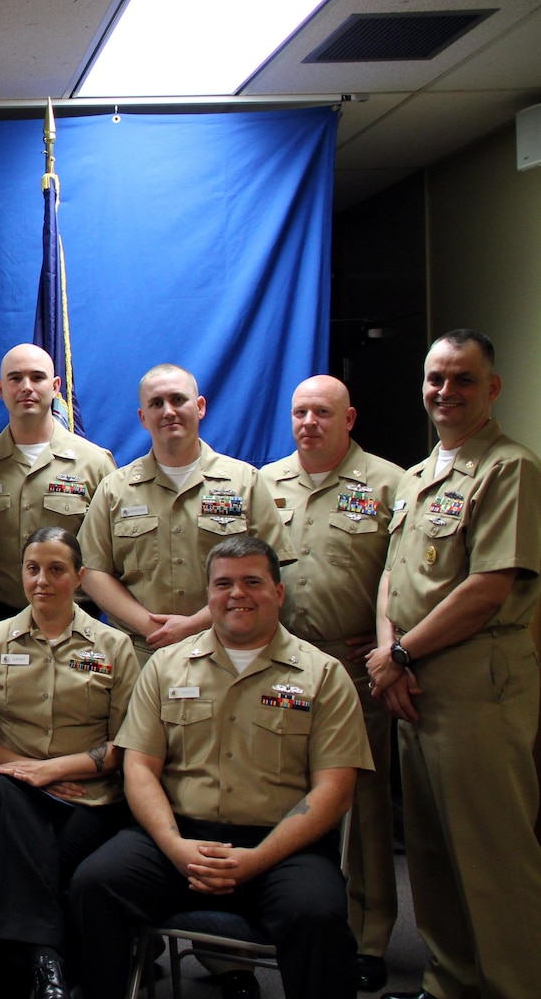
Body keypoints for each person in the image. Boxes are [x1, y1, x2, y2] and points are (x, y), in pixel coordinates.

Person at [69, 536, 372, 999]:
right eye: (223, 584)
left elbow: (334, 790)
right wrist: (173, 845)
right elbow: (140, 769)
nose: (237, 595)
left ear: (279, 592)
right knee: (96, 884)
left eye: (253, 582)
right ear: (207, 594)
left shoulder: (323, 675)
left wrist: (257, 859)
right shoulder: (166, 667)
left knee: (318, 916)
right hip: (178, 839)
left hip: (281, 848)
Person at [365, 330, 541, 999]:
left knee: (493, 856)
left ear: (491, 389)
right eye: (436, 377)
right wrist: (389, 655)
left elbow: (487, 589)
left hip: (475, 689)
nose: (446, 391)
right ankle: (450, 981)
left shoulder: (508, 469)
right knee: (434, 855)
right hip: (414, 686)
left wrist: (401, 653)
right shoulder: (417, 477)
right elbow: (393, 576)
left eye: (463, 379)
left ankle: (513, 986)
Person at [260, 375, 405, 991]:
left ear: (349, 418)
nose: (309, 423)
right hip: (283, 668)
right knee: (279, 795)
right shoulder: (264, 484)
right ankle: (291, 923)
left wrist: (390, 642)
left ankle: (369, 936)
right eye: (299, 412)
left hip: (355, 670)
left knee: (364, 806)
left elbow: (402, 576)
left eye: (323, 412)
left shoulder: (390, 483)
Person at [0, 527, 138, 999]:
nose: (42, 580)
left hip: (89, 800)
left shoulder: (115, 647)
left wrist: (54, 771)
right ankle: (53, 965)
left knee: (19, 867)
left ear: (79, 577)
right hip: (14, 795)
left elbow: (126, 744)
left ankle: (23, 966)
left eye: (56, 570)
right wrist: (26, 770)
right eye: (32, 569)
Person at [79, 363, 288, 662]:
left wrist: (194, 625)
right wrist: (150, 627)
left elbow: (272, 568)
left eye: (178, 399)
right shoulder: (115, 489)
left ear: (200, 406)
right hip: (142, 653)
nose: (168, 411)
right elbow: (92, 572)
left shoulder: (245, 482)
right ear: (142, 417)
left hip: (229, 651)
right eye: (156, 403)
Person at [0, 344, 115, 625]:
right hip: (0, 619)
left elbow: (113, 552)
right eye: (15, 379)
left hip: (78, 619)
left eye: (37, 377)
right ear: (1, 389)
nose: (27, 387)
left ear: (55, 387)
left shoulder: (95, 463)